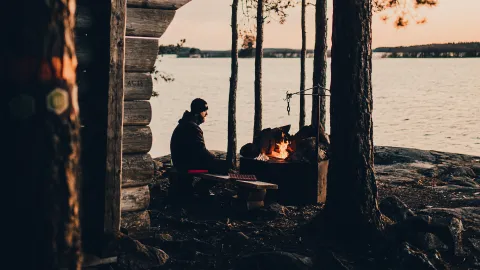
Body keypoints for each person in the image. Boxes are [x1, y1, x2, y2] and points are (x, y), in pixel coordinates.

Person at [170, 98, 226, 174]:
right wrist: (214, 157)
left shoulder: (184, 123)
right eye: (205, 111)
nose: (206, 114)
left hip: (180, 163)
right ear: (197, 113)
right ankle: (202, 186)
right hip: (187, 167)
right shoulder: (192, 128)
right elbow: (201, 151)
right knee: (224, 166)